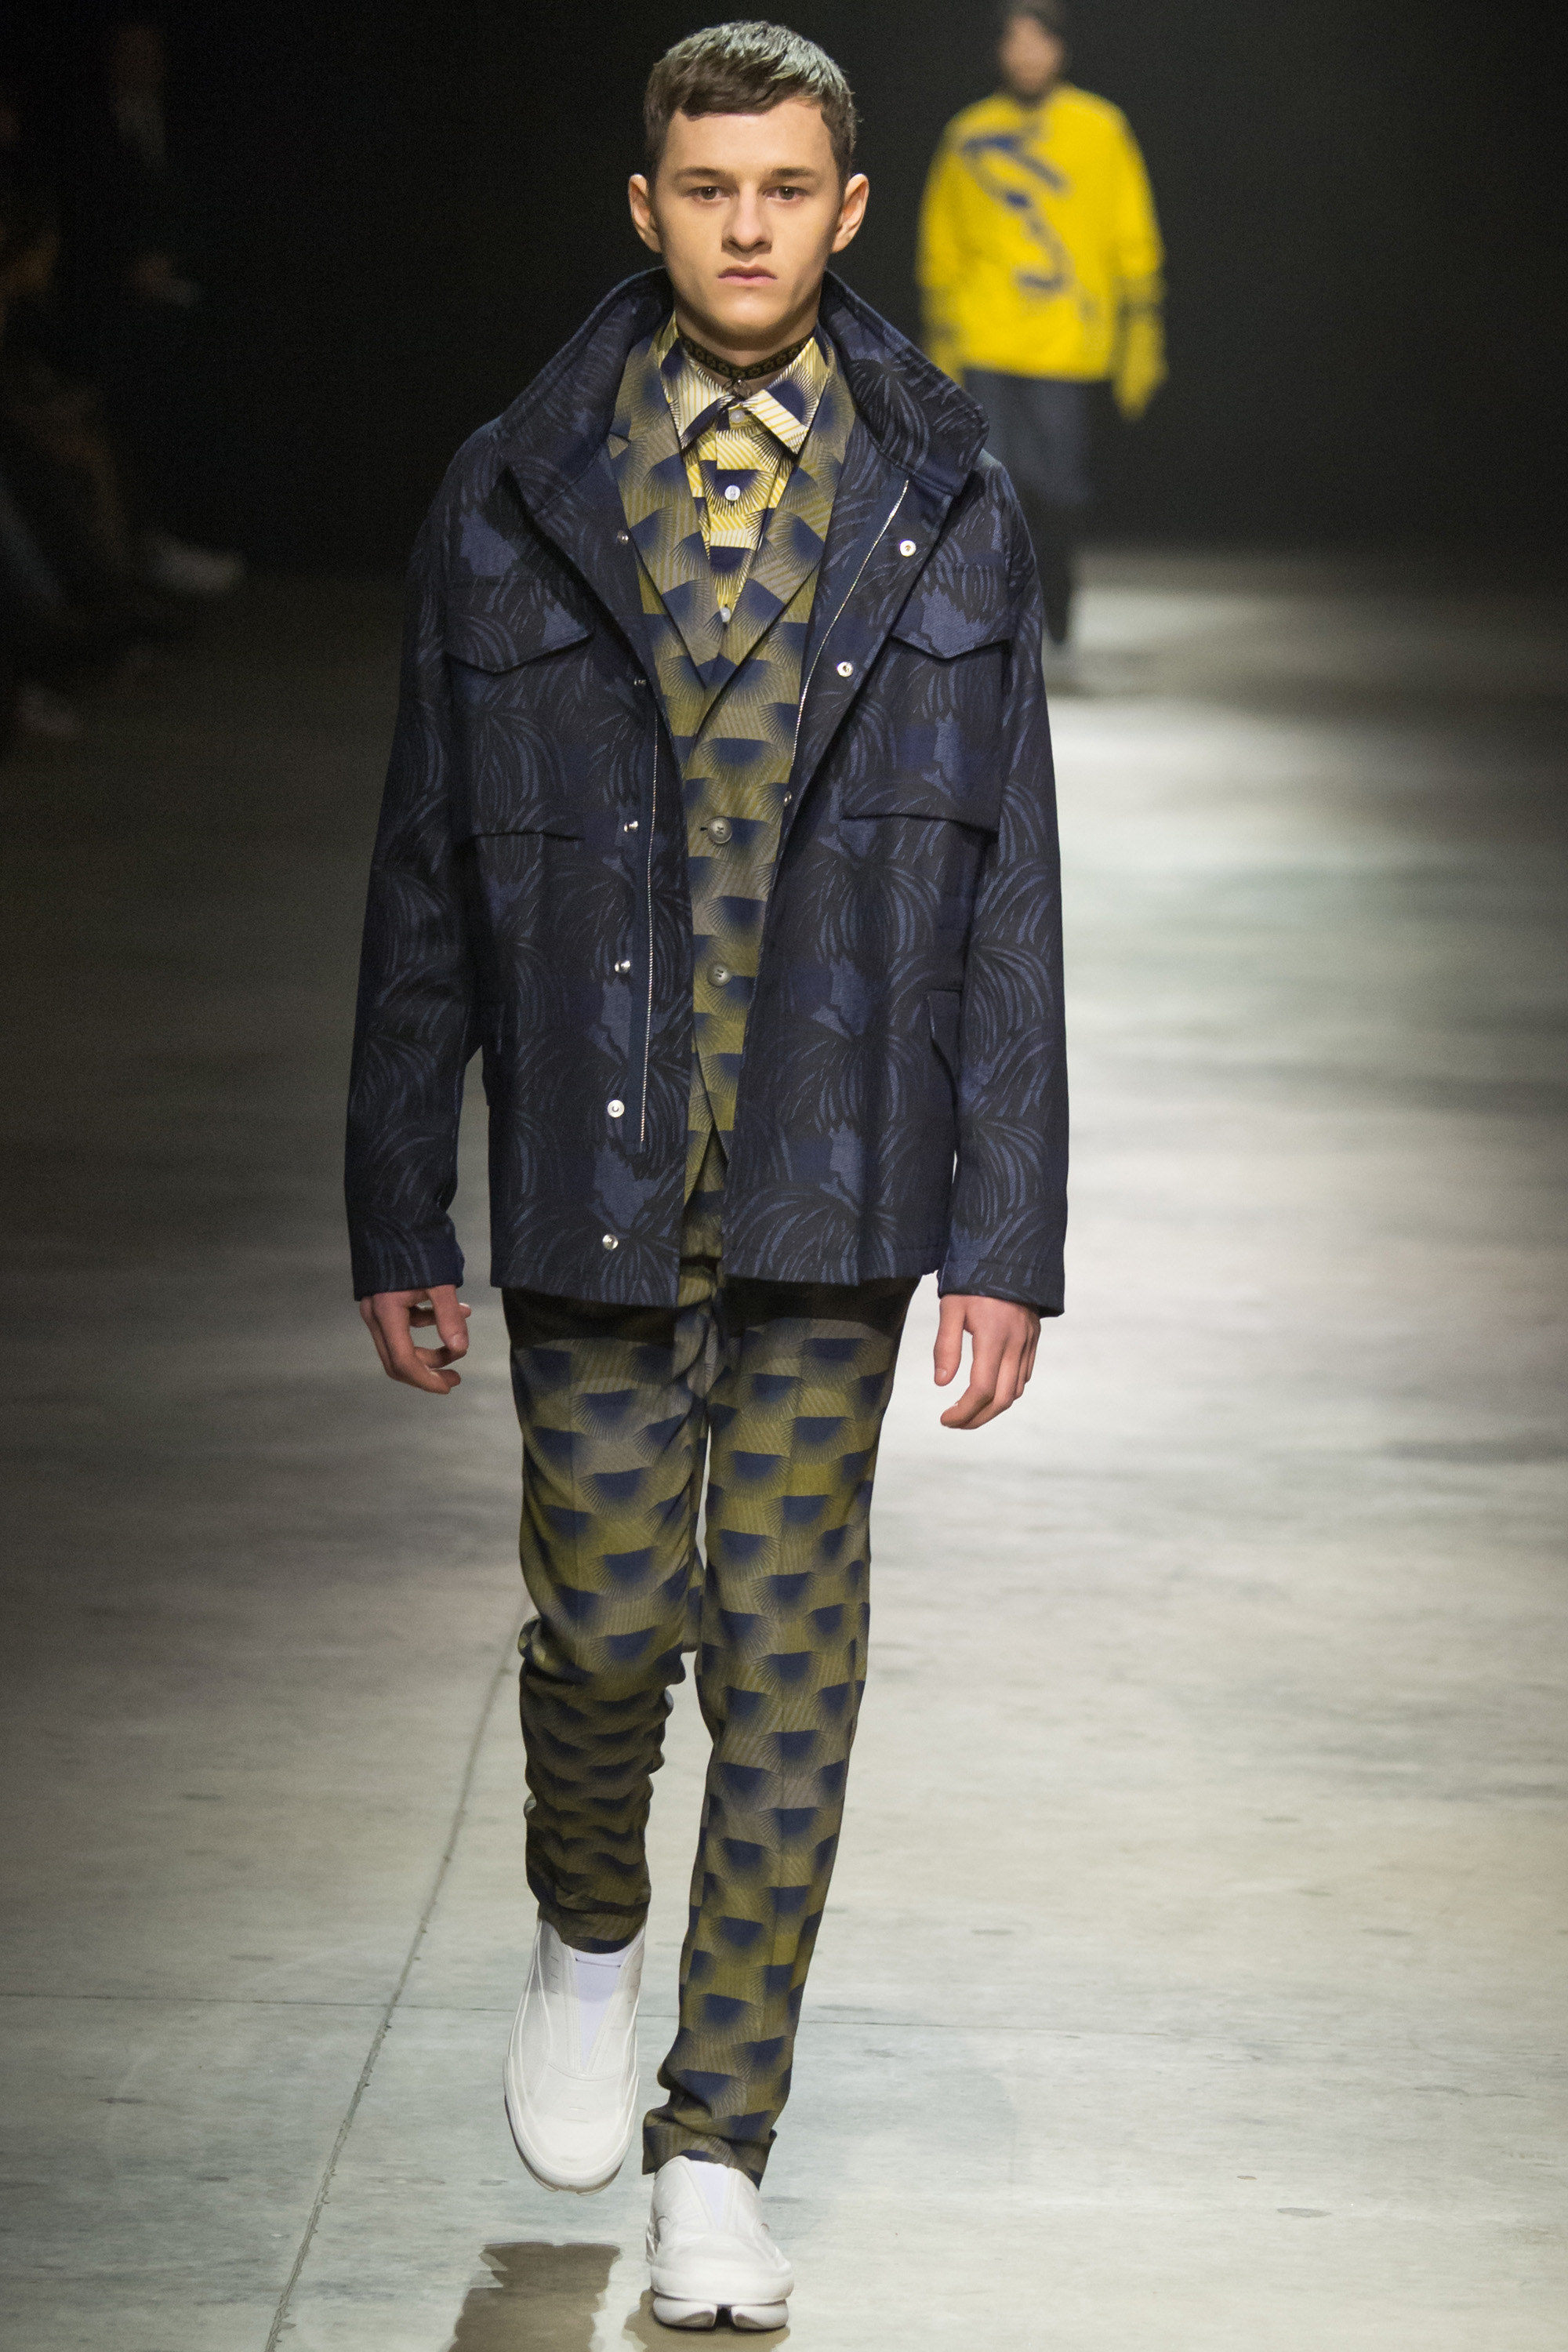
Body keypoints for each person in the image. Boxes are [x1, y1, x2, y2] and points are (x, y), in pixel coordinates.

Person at [346, 20, 1066, 2330]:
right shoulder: (511, 490)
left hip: (834, 1183)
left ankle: (714, 2150)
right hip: (587, 1154)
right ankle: (584, 1921)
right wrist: (396, 1198)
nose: (744, 225)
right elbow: (427, 868)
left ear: (845, 210)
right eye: (704, 186)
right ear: (643, 206)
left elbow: (1010, 893)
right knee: (598, 1625)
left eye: (782, 188)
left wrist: (1007, 1233)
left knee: (784, 1662)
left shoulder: (948, 496)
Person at [918, 0, 1165, 656]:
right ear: (999, 51)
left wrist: (1143, 324)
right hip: (985, 336)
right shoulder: (968, 133)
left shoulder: (1100, 128)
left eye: (1039, 40)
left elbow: (1130, 226)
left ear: (1061, 49)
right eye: (1015, 40)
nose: (1027, 54)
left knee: (1057, 486)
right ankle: (1004, 617)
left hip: (1066, 340)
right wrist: (941, 333)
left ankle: (1057, 600)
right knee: (991, 483)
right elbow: (943, 235)